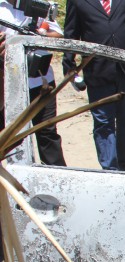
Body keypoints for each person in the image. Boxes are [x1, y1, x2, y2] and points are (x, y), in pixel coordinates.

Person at [62, 0, 125, 170]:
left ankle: (123, 162)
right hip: (97, 71)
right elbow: (71, 34)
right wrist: (70, 68)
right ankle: (110, 168)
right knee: (103, 122)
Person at [0, 1, 67, 166]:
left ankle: (57, 179)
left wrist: (39, 36)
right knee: (9, 136)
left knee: (47, 132)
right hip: (7, 83)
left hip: (40, 80)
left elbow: (58, 34)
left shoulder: (38, 5)